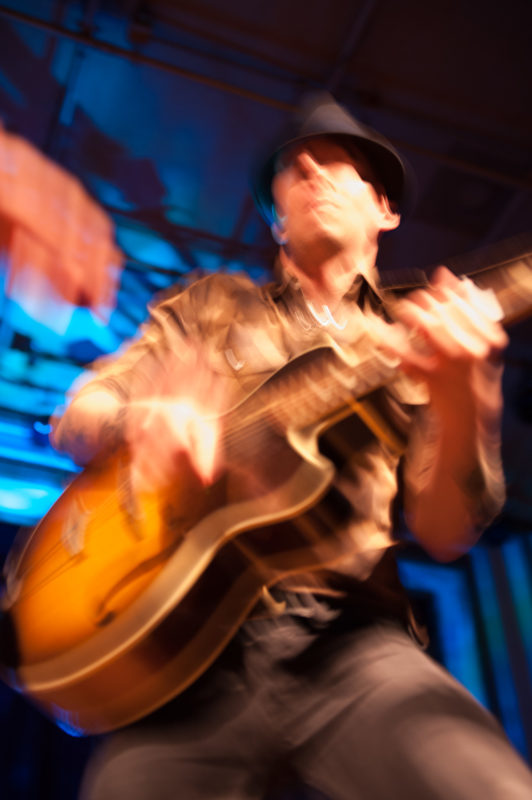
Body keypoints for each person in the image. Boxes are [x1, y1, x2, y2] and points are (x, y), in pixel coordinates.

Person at [52, 94, 532, 799]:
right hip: (187, 653)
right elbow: (78, 414)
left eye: (341, 160)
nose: (311, 165)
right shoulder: (209, 306)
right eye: (293, 167)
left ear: (385, 210)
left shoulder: (422, 328)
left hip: (352, 645)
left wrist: (464, 398)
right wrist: (142, 419)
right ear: (275, 218)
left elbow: (445, 532)